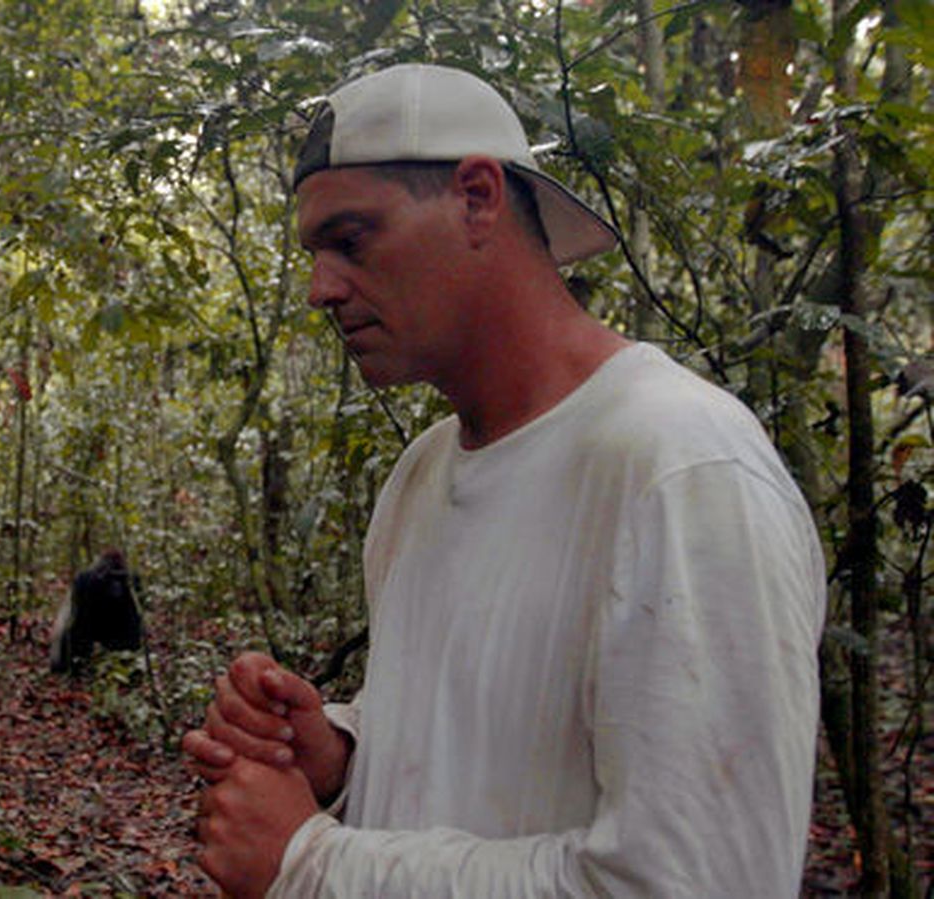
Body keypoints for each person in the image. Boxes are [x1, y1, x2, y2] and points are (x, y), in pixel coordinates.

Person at [180, 63, 826, 897]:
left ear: (478, 197)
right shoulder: (422, 473)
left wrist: (311, 865)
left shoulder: (682, 468)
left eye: (351, 239)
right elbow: (485, 754)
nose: (320, 289)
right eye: (315, 252)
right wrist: (339, 753)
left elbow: (696, 880)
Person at [49, 548, 142, 674]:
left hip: (111, 631)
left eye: (118, 578)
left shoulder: (130, 581)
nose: (115, 588)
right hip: (99, 629)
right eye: (112, 578)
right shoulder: (87, 580)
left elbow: (135, 623)